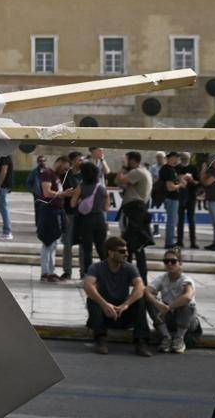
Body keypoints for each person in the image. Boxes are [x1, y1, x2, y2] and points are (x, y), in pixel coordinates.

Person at [82, 236, 152, 356]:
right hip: (104, 314)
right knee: (92, 300)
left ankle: (141, 342)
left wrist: (126, 305)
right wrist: (104, 304)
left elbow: (140, 286)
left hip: (122, 312)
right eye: (122, 251)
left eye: (127, 251)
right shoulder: (96, 267)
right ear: (110, 253)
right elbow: (88, 285)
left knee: (140, 299)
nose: (126, 254)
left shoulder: (129, 267)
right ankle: (100, 340)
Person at [145, 248, 199, 353]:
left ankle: (179, 339)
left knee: (187, 304)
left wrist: (168, 307)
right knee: (149, 300)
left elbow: (188, 296)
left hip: (187, 321)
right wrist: (158, 304)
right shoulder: (162, 278)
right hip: (169, 318)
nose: (169, 264)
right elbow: (147, 291)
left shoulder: (186, 279)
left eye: (173, 261)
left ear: (180, 263)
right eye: (166, 261)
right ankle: (167, 337)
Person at [118, 151, 154, 282]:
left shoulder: (136, 172)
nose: (125, 161)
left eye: (126, 159)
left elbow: (119, 180)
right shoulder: (145, 172)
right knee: (136, 246)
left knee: (128, 245)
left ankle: (129, 277)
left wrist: (123, 166)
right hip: (139, 210)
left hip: (133, 211)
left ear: (132, 161)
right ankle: (139, 278)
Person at [28, 155, 63, 282]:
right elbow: (46, 192)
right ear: (59, 162)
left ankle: (50, 271)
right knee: (48, 242)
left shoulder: (55, 175)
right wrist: (62, 194)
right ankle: (45, 272)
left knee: (53, 243)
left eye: (44, 161)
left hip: (55, 211)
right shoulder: (47, 174)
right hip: (49, 212)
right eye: (40, 161)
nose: (42, 162)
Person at [71, 160, 109, 276]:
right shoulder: (102, 188)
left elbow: (72, 204)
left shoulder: (81, 187)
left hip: (86, 220)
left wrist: (82, 202)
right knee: (101, 248)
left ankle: (89, 274)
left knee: (87, 249)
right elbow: (106, 208)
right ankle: (107, 272)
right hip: (100, 220)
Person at [58, 151, 82, 279]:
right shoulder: (66, 176)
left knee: (83, 244)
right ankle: (67, 271)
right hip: (69, 213)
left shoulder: (85, 174)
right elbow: (63, 192)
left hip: (82, 214)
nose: (81, 162)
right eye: (78, 160)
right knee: (67, 243)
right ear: (72, 161)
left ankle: (84, 271)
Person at [160, 151, 185, 248]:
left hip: (172, 198)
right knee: (171, 221)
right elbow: (170, 187)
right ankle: (169, 242)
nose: (177, 159)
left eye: (177, 157)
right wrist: (180, 185)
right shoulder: (168, 169)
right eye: (175, 157)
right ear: (170, 158)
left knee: (173, 220)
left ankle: (170, 241)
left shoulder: (171, 169)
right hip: (171, 198)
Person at [177, 152, 199, 249]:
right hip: (180, 196)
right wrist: (180, 179)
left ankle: (193, 242)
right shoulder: (177, 168)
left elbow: (198, 182)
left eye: (186, 158)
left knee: (191, 220)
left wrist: (191, 180)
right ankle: (179, 241)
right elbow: (173, 180)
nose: (184, 160)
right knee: (180, 220)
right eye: (183, 158)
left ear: (189, 159)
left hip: (191, 196)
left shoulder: (193, 168)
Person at [0, 154, 14, 240]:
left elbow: (4, 170)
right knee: (4, 208)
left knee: (3, 209)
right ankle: (7, 231)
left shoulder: (5, 157)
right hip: (3, 186)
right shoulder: (5, 156)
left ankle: (7, 232)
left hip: (3, 186)